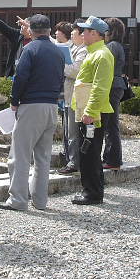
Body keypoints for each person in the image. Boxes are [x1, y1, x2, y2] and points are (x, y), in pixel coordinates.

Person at [0, 14, 64, 211]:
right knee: (43, 157)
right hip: (52, 106)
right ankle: (40, 200)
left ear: (31, 31)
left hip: (31, 105)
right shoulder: (58, 51)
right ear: (49, 30)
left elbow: (20, 78)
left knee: (20, 155)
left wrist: (14, 101)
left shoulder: (30, 49)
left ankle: (18, 200)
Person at [71, 16, 114, 205]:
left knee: (89, 152)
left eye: (86, 31)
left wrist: (90, 112)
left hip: (93, 113)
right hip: (88, 110)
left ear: (95, 34)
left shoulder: (102, 55)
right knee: (89, 152)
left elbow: (100, 87)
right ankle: (92, 190)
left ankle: (92, 193)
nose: (82, 34)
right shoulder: (94, 52)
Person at [57, 20, 88, 174]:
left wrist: (60, 64)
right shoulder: (74, 47)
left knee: (73, 132)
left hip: (76, 95)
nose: (71, 34)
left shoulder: (84, 51)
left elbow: (75, 71)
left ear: (81, 35)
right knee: (68, 130)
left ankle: (74, 162)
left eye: (74, 32)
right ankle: (69, 158)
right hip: (69, 94)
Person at [102, 17, 126, 170]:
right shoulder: (118, 46)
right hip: (117, 85)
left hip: (111, 85)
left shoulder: (111, 46)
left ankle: (113, 159)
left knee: (110, 125)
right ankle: (112, 158)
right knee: (112, 124)